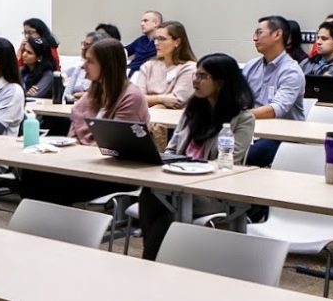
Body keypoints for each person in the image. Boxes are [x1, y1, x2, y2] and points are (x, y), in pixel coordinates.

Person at [138, 53, 257, 259]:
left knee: (164, 206)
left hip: (211, 191)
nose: (195, 80)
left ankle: (153, 260)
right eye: (195, 74)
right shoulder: (192, 110)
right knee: (151, 193)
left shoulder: (242, 119)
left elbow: (231, 162)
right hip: (178, 182)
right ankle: (157, 260)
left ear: (219, 83)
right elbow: (173, 150)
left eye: (202, 76)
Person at [20, 38, 146, 205]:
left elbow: (114, 144)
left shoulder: (131, 97)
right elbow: (77, 122)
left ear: (107, 65)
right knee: (33, 172)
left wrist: (77, 151)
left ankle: (57, 225)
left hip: (115, 171)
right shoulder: (94, 91)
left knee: (49, 181)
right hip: (85, 162)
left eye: (90, 61)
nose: (84, 65)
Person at [243, 15, 306, 167]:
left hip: (282, 135)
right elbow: (238, 96)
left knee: (249, 156)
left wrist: (239, 116)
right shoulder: (252, 66)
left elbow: (276, 109)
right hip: (252, 128)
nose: (255, 38)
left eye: (259, 33)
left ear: (277, 35)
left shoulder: (291, 71)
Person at [131, 21, 197, 109]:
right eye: (155, 39)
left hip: (173, 120)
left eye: (162, 39)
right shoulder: (148, 66)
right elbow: (137, 99)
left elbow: (176, 101)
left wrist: (154, 103)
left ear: (177, 42)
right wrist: (162, 99)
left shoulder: (190, 68)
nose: (156, 43)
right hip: (145, 117)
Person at [63, 30, 111, 102]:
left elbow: (97, 97)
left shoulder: (102, 72)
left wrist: (85, 96)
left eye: (86, 44)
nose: (82, 47)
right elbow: (66, 94)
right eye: (83, 44)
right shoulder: (80, 67)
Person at [125, 11, 163, 75]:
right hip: (129, 72)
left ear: (156, 23)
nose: (142, 24)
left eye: (145, 21)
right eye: (141, 21)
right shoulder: (141, 40)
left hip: (145, 75)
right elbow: (125, 51)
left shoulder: (162, 42)